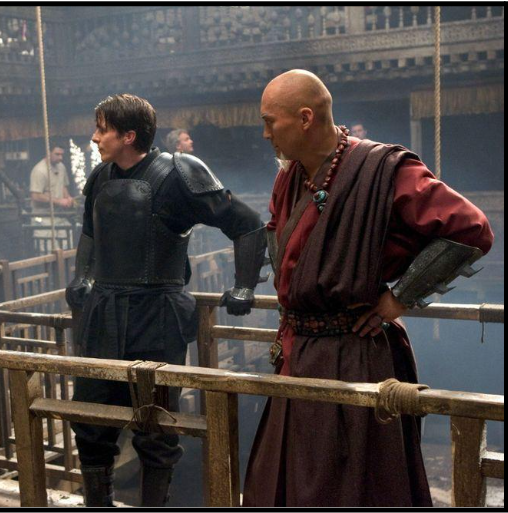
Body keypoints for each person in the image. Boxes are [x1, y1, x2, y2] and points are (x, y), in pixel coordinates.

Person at [244, 69, 493, 507]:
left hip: (356, 353)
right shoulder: (291, 176)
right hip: (298, 353)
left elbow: (471, 229)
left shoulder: (383, 169)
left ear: (305, 118)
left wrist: (399, 297)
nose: (265, 134)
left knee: (354, 486)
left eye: (270, 122)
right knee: (285, 481)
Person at [65, 94, 267, 507]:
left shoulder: (179, 174)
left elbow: (246, 225)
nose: (95, 137)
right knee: (89, 421)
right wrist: (82, 276)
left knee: (155, 429)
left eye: (102, 129)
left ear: (129, 136)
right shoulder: (100, 177)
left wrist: (244, 285)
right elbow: (90, 232)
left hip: (156, 317)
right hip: (103, 316)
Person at [29, 145, 74, 212]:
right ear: (48, 153)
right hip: (42, 214)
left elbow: (63, 186)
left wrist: (68, 198)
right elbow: (36, 196)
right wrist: (59, 201)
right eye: (57, 154)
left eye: (61, 155)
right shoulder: (39, 170)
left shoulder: (61, 167)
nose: (60, 158)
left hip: (60, 213)